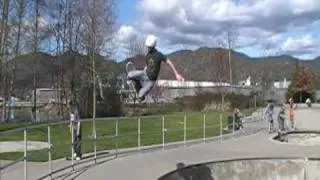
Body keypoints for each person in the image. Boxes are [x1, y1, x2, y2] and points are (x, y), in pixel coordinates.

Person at [127, 34, 185, 103]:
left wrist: (176, 74)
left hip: (151, 81)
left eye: (149, 47)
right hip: (145, 74)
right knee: (129, 75)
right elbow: (147, 65)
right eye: (148, 47)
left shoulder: (159, 55)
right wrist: (140, 75)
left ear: (153, 46)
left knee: (140, 97)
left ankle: (140, 94)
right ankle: (137, 83)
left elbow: (169, 62)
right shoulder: (148, 55)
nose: (148, 49)